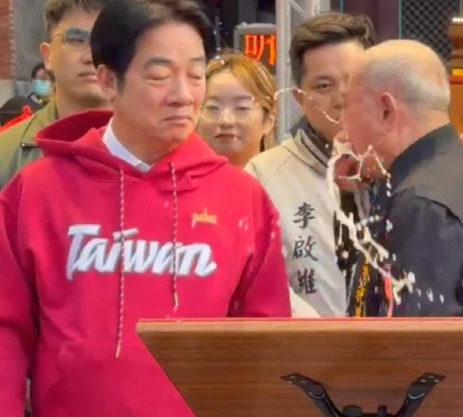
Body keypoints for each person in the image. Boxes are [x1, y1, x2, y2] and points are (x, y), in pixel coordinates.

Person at [0, 0, 291, 416]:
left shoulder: (243, 199)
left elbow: (266, 343)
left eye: (195, 75)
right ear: (108, 80)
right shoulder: (39, 190)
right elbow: (6, 330)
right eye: (159, 76)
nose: (183, 96)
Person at [339, 39, 463, 317]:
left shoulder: (422, 203)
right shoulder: (454, 170)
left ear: (386, 110)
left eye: (346, 108)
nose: (343, 128)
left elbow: (415, 338)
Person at [246, 12, 376, 317]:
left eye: (355, 81)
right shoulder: (262, 176)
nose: (342, 98)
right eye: (324, 86)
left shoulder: (401, 167)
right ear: (299, 98)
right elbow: (259, 284)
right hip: (307, 344)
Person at [0, 0, 111, 189]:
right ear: (47, 56)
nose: (91, 56)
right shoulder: (6, 155)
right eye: (76, 40)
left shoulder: (155, 148)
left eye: (106, 42)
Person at [196, 49, 277, 167]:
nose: (226, 120)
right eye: (213, 108)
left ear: (269, 120)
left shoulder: (285, 177)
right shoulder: (175, 176)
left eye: (241, 108)